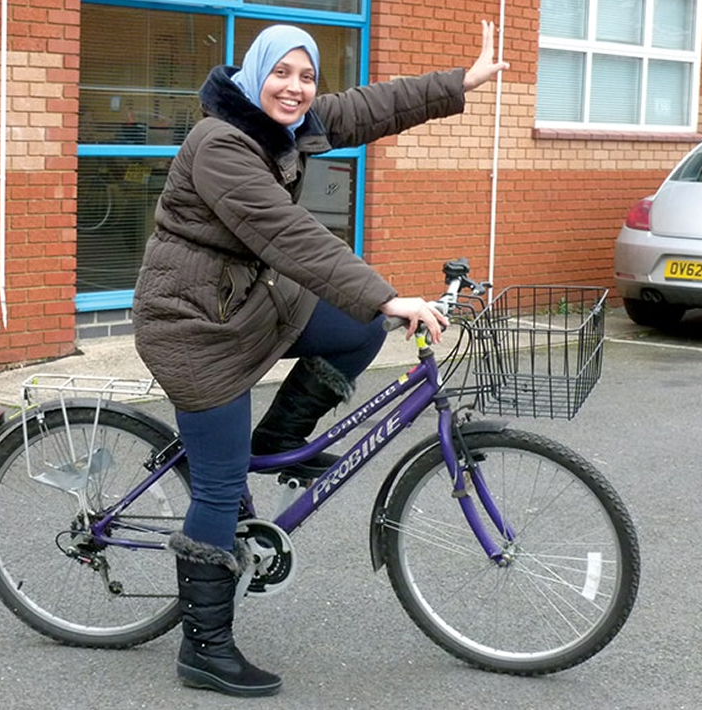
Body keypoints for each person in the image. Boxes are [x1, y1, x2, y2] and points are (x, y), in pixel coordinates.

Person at [132, 21, 509, 697]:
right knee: (219, 489)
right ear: (255, 74)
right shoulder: (220, 143)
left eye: (307, 76)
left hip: (245, 300)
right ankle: (204, 648)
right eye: (282, 72)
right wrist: (389, 295)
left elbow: (370, 106)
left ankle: (277, 440)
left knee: (356, 327)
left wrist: (461, 82)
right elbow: (289, 235)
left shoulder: (285, 123)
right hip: (192, 327)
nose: (296, 87)